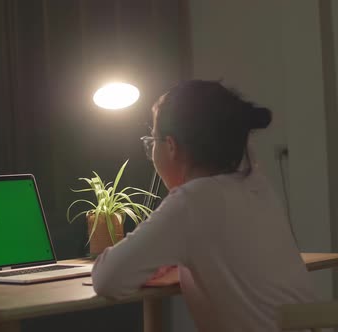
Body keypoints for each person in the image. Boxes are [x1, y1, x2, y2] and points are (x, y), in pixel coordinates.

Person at [91, 80, 315, 331]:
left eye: (152, 140)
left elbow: (107, 279)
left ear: (171, 146)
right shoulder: (256, 186)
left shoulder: (192, 201)